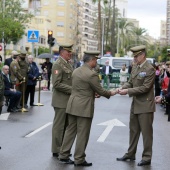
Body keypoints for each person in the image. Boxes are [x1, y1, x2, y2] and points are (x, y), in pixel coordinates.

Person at [59, 51, 116, 166]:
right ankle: (79, 159)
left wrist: (92, 93)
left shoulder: (76, 70)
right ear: (91, 60)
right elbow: (100, 90)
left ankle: (63, 155)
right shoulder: (91, 74)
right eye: (95, 60)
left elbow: (81, 87)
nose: (96, 62)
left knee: (70, 130)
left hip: (73, 104)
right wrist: (112, 92)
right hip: (84, 107)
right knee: (82, 134)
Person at [116, 45, 155, 166]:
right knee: (133, 130)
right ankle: (130, 153)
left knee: (146, 133)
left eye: (136, 56)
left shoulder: (150, 69)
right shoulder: (135, 67)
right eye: (134, 56)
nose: (135, 58)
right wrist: (123, 87)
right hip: (136, 104)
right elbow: (131, 82)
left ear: (143, 55)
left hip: (145, 105)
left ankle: (147, 157)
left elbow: (145, 88)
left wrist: (128, 91)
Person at [51, 44, 73, 158]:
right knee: (59, 126)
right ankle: (57, 149)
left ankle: (63, 149)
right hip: (60, 101)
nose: (70, 53)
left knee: (66, 126)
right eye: (68, 52)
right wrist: (73, 90)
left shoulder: (68, 64)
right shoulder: (58, 64)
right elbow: (56, 84)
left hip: (67, 100)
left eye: (70, 52)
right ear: (61, 53)